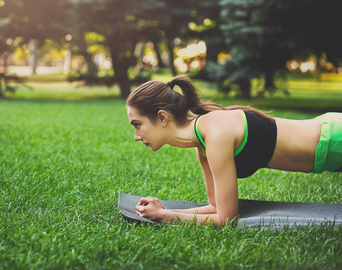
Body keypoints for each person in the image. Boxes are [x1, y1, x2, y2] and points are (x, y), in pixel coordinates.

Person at [126, 75, 342, 226]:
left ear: (162, 117)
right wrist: (165, 211)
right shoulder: (202, 143)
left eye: (137, 124)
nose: (136, 136)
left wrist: (166, 217)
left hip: (334, 140)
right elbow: (214, 207)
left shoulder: (215, 134)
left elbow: (226, 220)